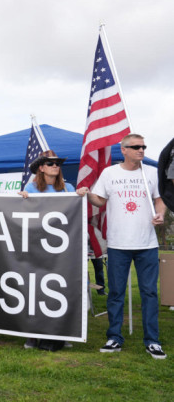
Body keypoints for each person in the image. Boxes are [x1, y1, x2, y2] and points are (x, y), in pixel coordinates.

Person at [86, 134, 167, 359]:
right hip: (118, 243)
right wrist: (88, 194)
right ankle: (114, 337)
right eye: (136, 147)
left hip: (147, 243)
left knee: (150, 293)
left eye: (143, 146)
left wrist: (160, 214)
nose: (141, 150)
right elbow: (99, 200)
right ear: (123, 150)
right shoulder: (110, 173)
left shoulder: (150, 172)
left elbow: (159, 199)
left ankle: (152, 341)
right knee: (116, 293)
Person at [17, 151, 88, 350]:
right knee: (35, 289)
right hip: (37, 246)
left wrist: (80, 196)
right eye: (50, 163)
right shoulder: (31, 187)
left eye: (57, 163)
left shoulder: (68, 188)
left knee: (61, 289)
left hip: (62, 248)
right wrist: (22, 199)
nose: (55, 166)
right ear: (41, 167)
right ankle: (32, 334)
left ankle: (61, 334)